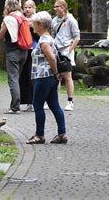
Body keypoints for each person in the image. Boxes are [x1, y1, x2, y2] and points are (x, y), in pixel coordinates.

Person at [26, 11, 67, 145]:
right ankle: (62, 134)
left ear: (41, 25)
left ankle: (39, 135)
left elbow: (51, 58)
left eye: (34, 23)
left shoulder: (44, 40)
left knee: (37, 105)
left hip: (44, 77)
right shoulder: (49, 38)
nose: (32, 26)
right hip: (50, 78)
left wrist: (56, 73)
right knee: (54, 105)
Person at [0, 0, 29, 114]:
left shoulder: (9, 18)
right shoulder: (23, 17)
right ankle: (16, 103)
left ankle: (15, 107)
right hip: (24, 51)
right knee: (17, 78)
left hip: (13, 51)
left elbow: (0, 35)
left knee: (13, 79)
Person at [50, 0, 80, 111]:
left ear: (63, 7)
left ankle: (70, 101)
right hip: (56, 51)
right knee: (56, 76)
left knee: (67, 76)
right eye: (54, 6)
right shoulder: (54, 21)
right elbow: (53, 35)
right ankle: (53, 101)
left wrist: (69, 50)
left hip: (66, 51)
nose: (55, 9)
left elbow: (77, 37)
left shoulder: (71, 20)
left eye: (57, 6)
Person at [20, 0, 38, 112]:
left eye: (29, 7)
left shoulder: (37, 19)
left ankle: (34, 101)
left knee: (32, 76)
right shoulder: (22, 19)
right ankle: (27, 101)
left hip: (34, 50)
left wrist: (32, 27)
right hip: (24, 49)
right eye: (25, 7)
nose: (27, 9)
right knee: (24, 75)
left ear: (34, 8)